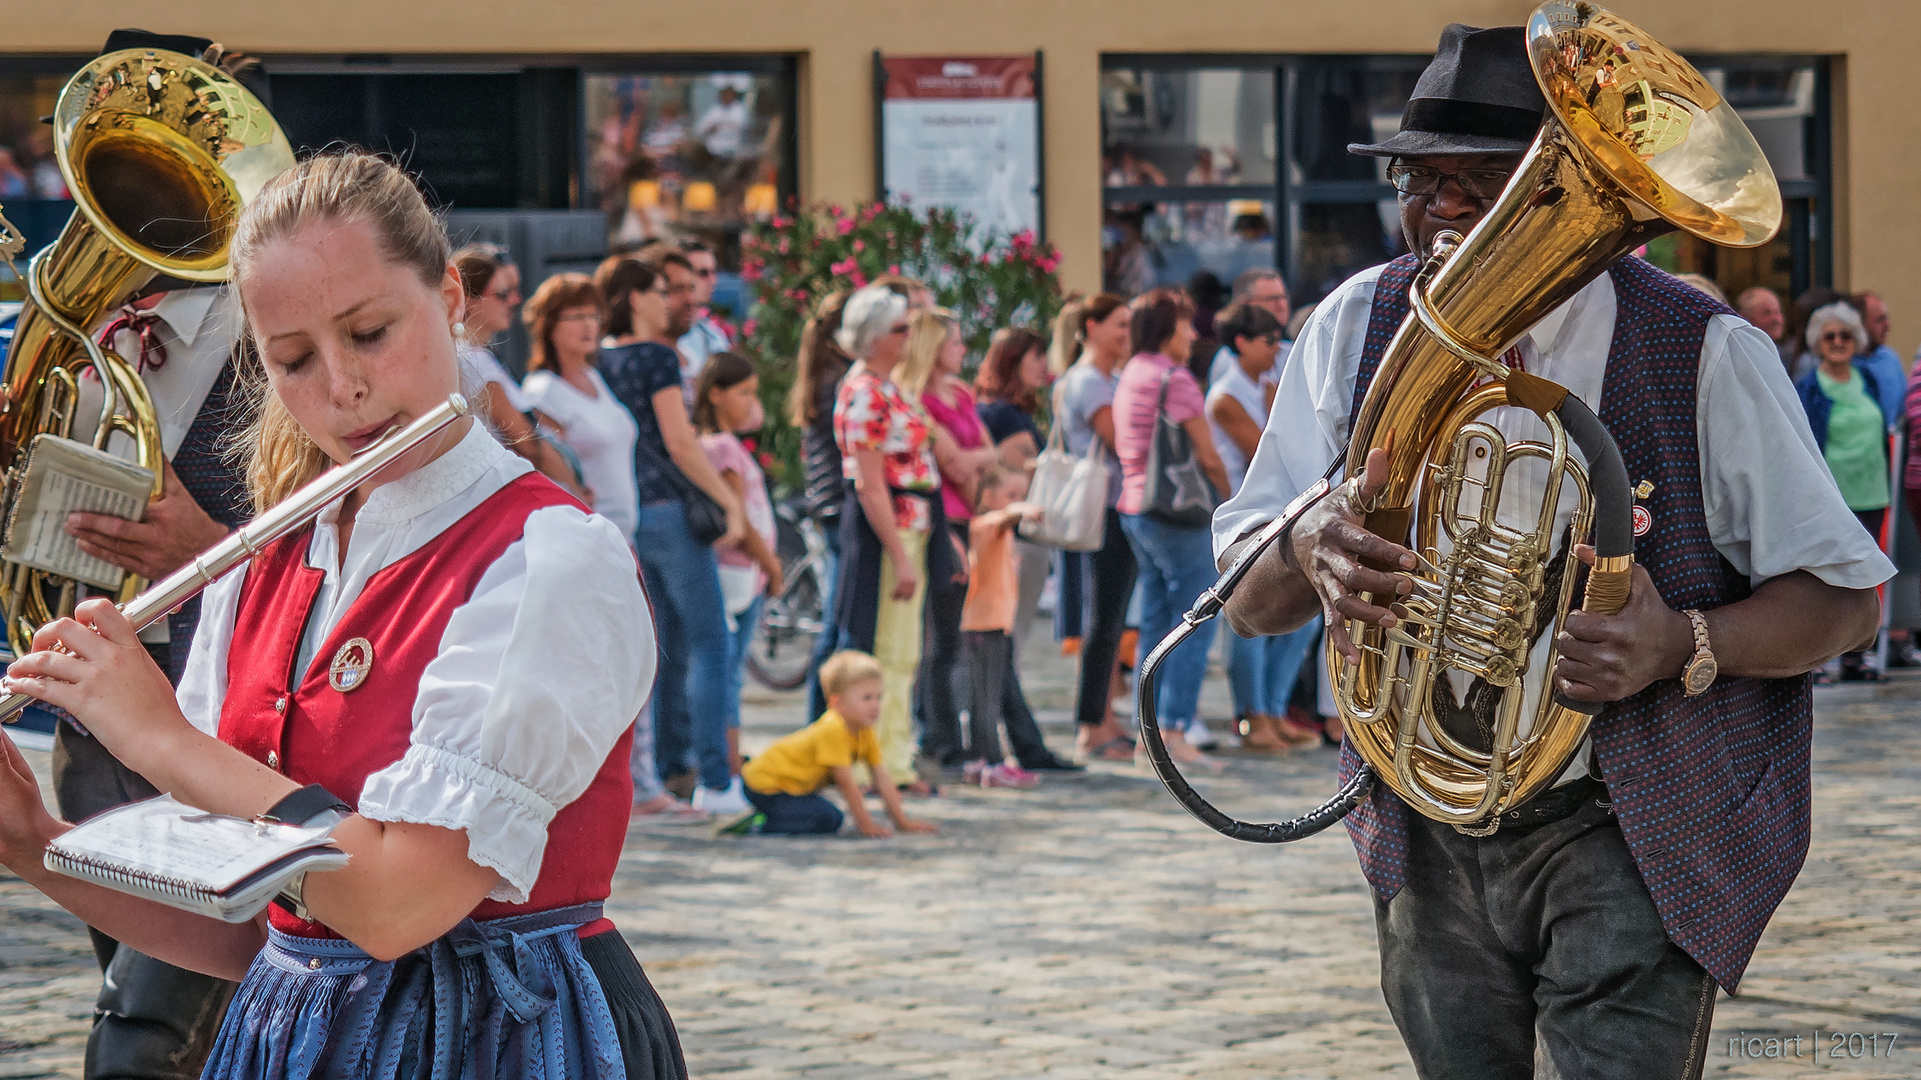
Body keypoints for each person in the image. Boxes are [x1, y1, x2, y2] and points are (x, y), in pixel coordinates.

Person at [1212, 24, 1893, 1079]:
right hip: (1420, 827)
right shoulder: (1354, 323)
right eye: (1418, 179)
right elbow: (1248, 603)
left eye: (1480, 180)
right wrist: (1306, 542)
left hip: (1629, 824)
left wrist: (1680, 641)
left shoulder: (1703, 348)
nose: (1440, 211)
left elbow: (1849, 603)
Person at [0, 149, 686, 1079]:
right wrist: (35, 844)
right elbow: (251, 932)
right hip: (295, 1040)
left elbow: (396, 905)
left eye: (369, 332)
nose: (342, 387)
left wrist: (157, 738)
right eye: (292, 359)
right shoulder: (266, 564)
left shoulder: (549, 559)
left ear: (450, 294)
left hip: (506, 1045)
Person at [34, 31, 268, 1079]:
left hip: (228, 721)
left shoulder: (277, 332)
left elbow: (353, 546)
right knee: (155, 990)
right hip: (94, 716)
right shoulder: (74, 312)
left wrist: (208, 548)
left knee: (142, 1040)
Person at [595, 254, 751, 814]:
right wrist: (729, 500)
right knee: (712, 641)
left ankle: (667, 768)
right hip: (671, 511)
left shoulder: (601, 359)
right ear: (636, 297)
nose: (668, 300)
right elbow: (681, 443)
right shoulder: (658, 358)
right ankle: (715, 778)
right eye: (660, 290)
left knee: (662, 651)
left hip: (633, 515)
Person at [828, 284, 961, 796]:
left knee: (903, 653)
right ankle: (873, 764)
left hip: (912, 522)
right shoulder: (864, 392)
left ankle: (893, 761)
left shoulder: (884, 386)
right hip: (891, 529)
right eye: (902, 329)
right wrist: (901, 554)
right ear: (876, 337)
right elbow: (868, 481)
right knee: (883, 653)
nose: (911, 336)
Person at [1112, 287, 1231, 768]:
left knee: (1157, 625)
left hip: (1136, 509)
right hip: (1179, 514)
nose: (1194, 332)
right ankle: (1176, 728)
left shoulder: (1131, 373)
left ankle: (1148, 736)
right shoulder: (1175, 379)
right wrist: (1230, 502)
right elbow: (1207, 455)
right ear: (1167, 329)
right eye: (1185, 324)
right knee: (1195, 623)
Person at [1204, 301, 1322, 753]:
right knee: (1248, 624)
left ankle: (1273, 710)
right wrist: (1277, 413)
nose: (1277, 349)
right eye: (1268, 340)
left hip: (1280, 520)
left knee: (1304, 622)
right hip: (1242, 526)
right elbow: (1267, 456)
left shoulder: (1266, 384)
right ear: (1241, 343)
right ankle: (1251, 718)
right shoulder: (1227, 394)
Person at [896, 307, 998, 771]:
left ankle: (945, 732)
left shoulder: (958, 393)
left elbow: (985, 454)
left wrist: (975, 459)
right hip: (938, 521)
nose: (963, 350)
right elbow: (955, 463)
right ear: (934, 348)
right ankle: (938, 737)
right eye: (956, 341)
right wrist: (976, 459)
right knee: (938, 638)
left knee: (954, 636)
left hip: (969, 517)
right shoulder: (914, 396)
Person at [1052, 295, 1140, 761]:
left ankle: (1101, 718)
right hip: (1104, 510)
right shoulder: (1089, 381)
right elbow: (1122, 441)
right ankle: (1091, 725)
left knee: (1107, 622)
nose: (1126, 333)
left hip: (1110, 508)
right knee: (1101, 623)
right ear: (1092, 326)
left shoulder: (1101, 378)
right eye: (1119, 325)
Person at [727, 652, 938, 837]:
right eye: (866, 698)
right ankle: (763, 824)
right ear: (837, 703)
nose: (875, 705)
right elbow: (846, 783)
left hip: (794, 788)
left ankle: (773, 817)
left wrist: (902, 822)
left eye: (878, 697)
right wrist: (866, 825)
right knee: (828, 819)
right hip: (763, 785)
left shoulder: (865, 731)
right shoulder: (834, 729)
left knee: (828, 816)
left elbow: (881, 777)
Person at [694, 351, 785, 772]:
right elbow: (740, 516)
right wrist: (771, 563)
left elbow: (756, 420)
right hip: (739, 571)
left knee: (731, 670)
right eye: (744, 392)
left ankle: (729, 753)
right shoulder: (722, 448)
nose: (753, 402)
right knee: (728, 672)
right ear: (716, 394)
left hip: (742, 572)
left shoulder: (720, 443)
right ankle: (727, 758)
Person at [451, 243, 586, 496]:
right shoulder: (473, 360)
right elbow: (527, 443)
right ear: (468, 300)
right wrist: (575, 492)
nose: (515, 300)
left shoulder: (473, 356)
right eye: (503, 294)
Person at [960, 467, 1065, 786]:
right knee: (984, 697)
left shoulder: (1004, 535)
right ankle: (986, 762)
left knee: (997, 693)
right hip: (982, 624)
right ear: (988, 497)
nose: (1018, 502)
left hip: (999, 625)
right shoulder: (984, 526)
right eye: (1011, 495)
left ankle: (995, 758)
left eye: (1022, 494)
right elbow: (1000, 519)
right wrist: (1022, 508)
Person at [521, 274, 639, 542]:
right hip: (584, 537)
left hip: (624, 537)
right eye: (575, 316)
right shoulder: (542, 390)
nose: (588, 325)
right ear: (549, 325)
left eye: (593, 315)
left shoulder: (594, 377)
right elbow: (541, 464)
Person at [788, 292, 856, 722]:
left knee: (836, 620)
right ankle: (821, 719)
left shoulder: (825, 374)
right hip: (841, 507)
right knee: (839, 621)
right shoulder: (839, 380)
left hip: (831, 505)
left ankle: (821, 717)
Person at [974, 327, 1054, 649]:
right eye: (1036, 356)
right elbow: (1022, 476)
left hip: (1007, 535)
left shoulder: (1001, 410)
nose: (1044, 365)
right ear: (1012, 361)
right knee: (1009, 634)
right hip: (1016, 537)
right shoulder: (1005, 416)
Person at [1208, 267, 1293, 387]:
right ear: (1246, 305)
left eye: (1284, 297)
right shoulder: (1232, 359)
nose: (1282, 305)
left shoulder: (1290, 350)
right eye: (1272, 299)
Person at [674, 238, 734, 401]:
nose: (712, 280)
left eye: (714, 272)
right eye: (702, 273)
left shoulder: (713, 334)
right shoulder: (667, 334)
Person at [1853, 291, 1906, 426]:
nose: (1888, 325)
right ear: (1860, 323)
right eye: (1880, 320)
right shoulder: (1844, 364)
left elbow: (1903, 412)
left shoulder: (1890, 359)